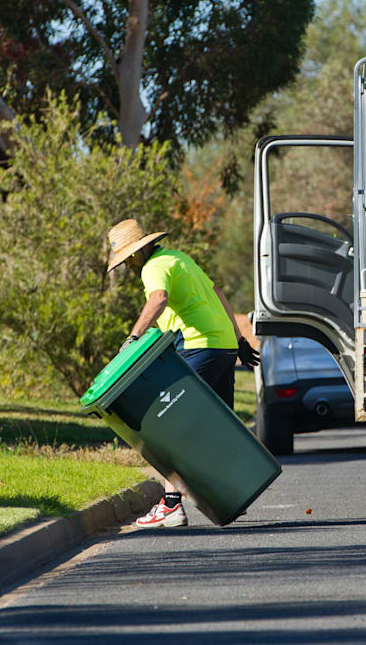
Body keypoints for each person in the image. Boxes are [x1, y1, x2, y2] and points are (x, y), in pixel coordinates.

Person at [105, 218, 259, 529]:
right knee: (216, 425)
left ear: (135, 254)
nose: (126, 267)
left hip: (198, 346)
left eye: (125, 261)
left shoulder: (152, 268)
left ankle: (171, 505)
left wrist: (133, 337)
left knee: (164, 425)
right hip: (223, 347)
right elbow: (216, 291)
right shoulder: (179, 258)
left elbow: (158, 299)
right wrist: (239, 338)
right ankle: (228, 496)